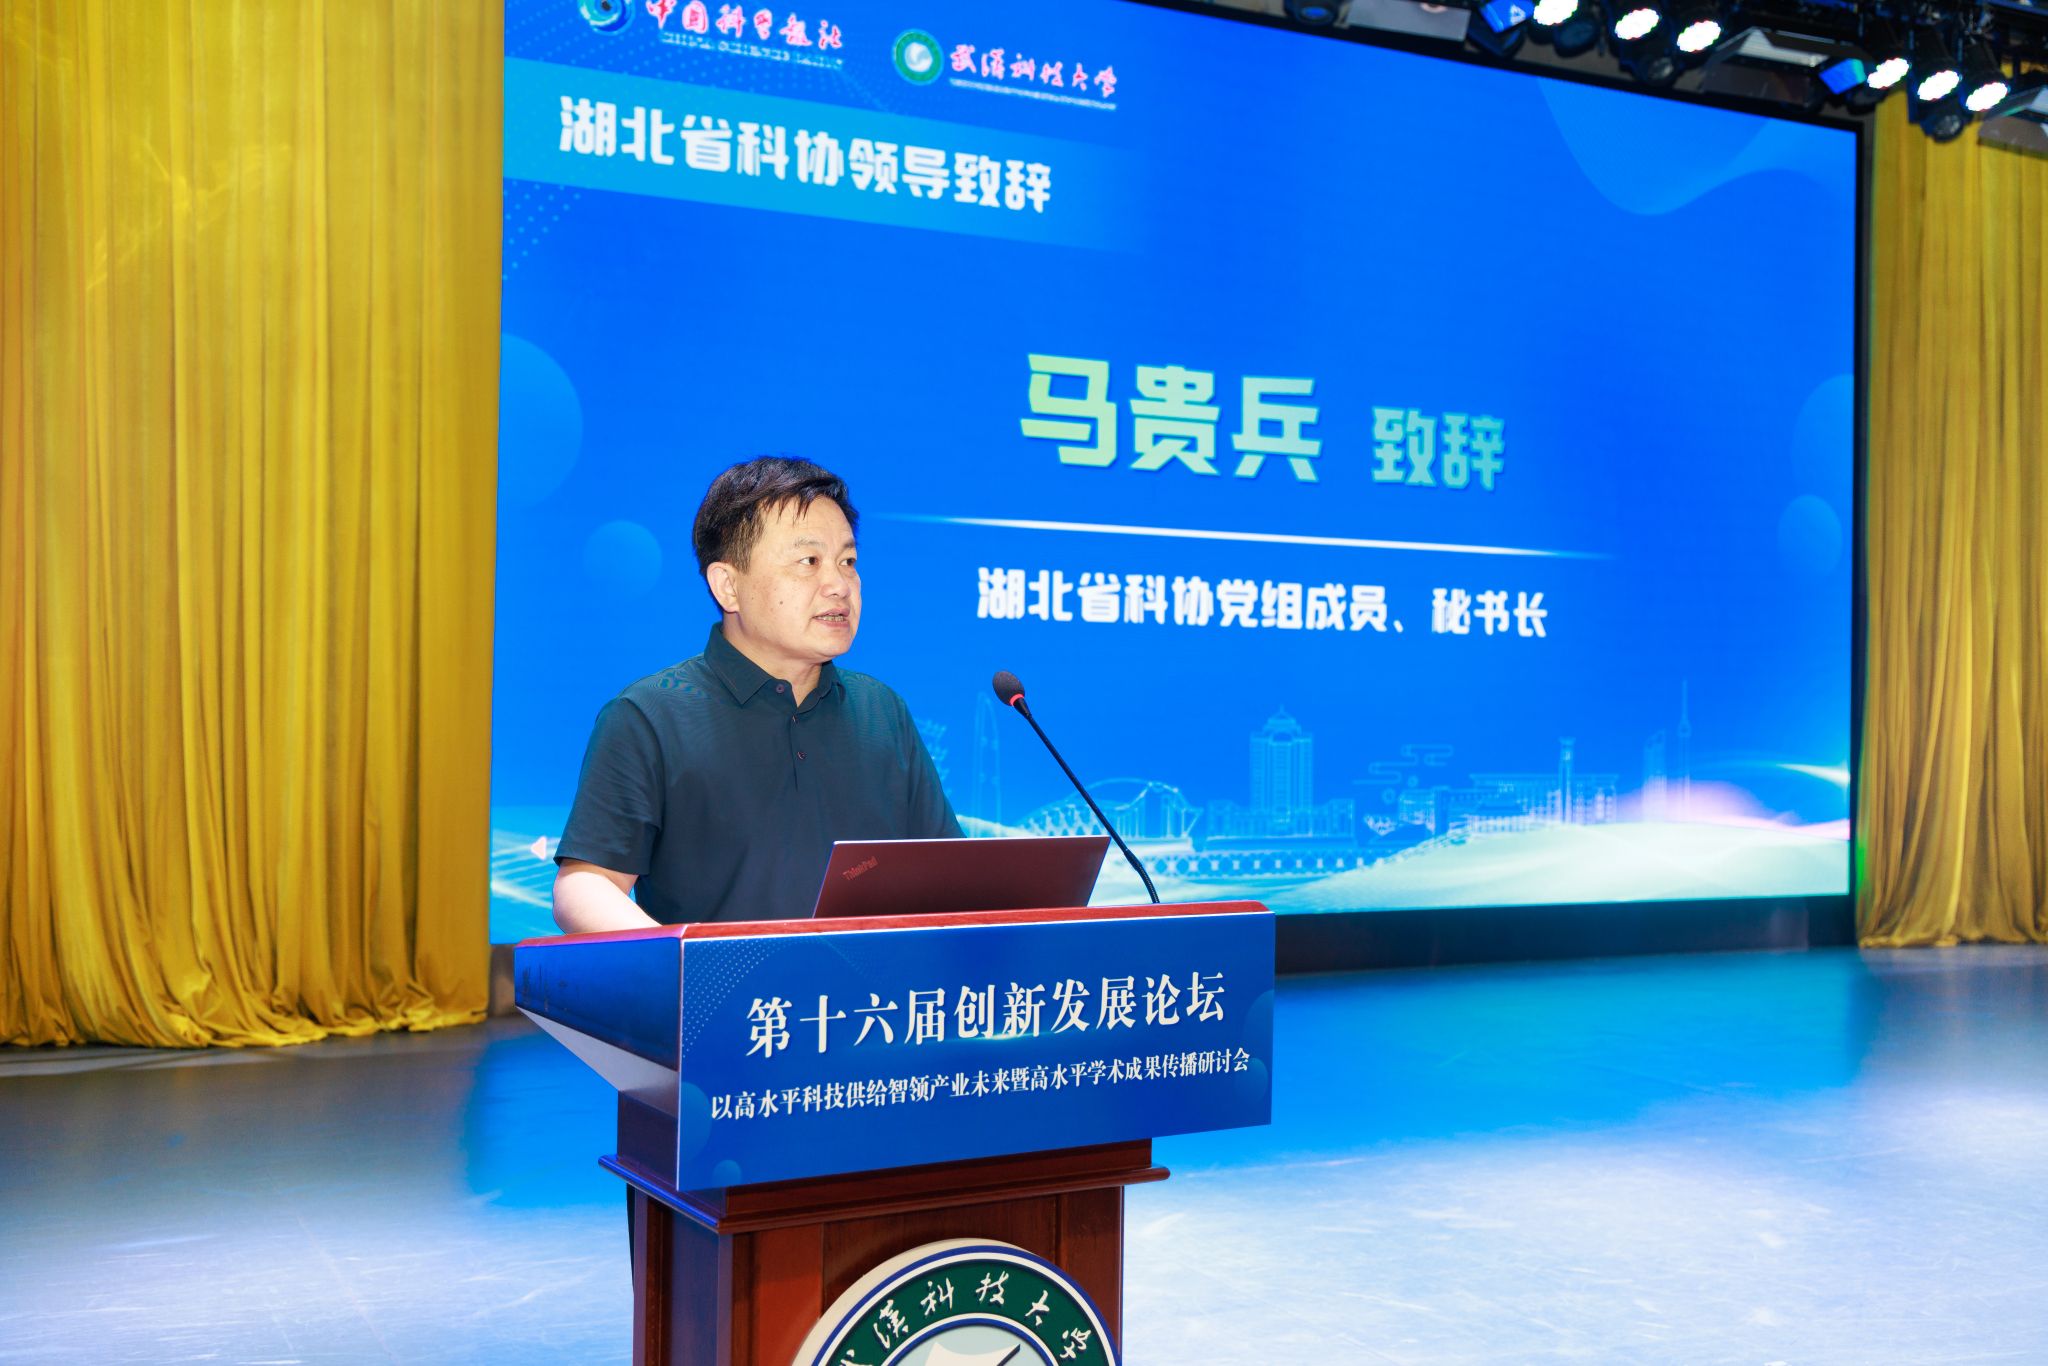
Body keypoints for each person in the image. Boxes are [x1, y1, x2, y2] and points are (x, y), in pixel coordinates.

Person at [550, 457, 960, 933]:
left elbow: (949, 876)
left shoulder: (881, 711)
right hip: (713, 982)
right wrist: (682, 962)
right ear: (728, 586)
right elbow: (585, 885)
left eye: (847, 562)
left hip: (867, 983)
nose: (839, 586)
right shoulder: (649, 716)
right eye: (809, 562)